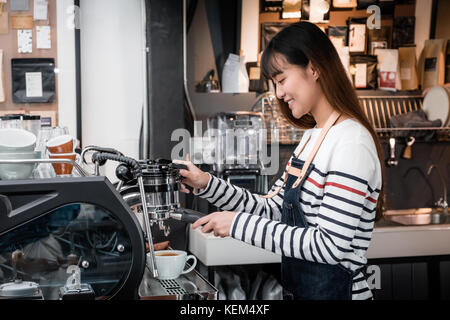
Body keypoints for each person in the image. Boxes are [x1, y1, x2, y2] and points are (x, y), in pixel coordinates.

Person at [173, 21, 383, 300]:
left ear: (314, 67)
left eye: (282, 80)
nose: (279, 94)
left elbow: (330, 246)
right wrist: (207, 184)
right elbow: (273, 208)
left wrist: (237, 224)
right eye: (275, 84)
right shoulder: (313, 137)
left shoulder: (351, 143)